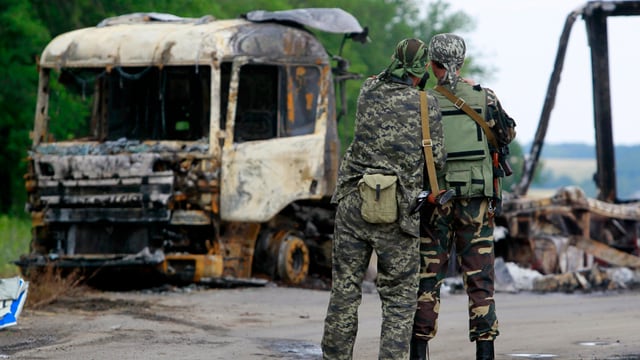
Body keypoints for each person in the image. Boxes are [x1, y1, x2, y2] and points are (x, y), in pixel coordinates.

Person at [321, 38, 446, 360]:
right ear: (420, 71)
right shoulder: (426, 103)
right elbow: (438, 161)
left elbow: (383, 76)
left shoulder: (367, 90)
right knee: (399, 299)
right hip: (399, 209)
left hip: (355, 201)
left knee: (345, 291)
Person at [410, 33, 517, 360]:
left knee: (428, 277)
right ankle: (485, 353)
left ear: (432, 64)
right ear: (462, 61)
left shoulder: (422, 100)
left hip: (435, 200)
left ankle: (418, 351)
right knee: (480, 277)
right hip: (476, 199)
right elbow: (508, 132)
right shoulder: (484, 97)